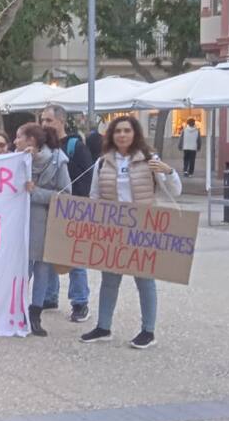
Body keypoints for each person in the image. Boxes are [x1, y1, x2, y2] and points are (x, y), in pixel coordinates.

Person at [81, 115, 182, 349]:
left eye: (127, 130)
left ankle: (148, 331)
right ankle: (103, 327)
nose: (122, 135)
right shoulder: (102, 162)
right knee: (109, 280)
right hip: (113, 229)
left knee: (145, 281)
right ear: (111, 135)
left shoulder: (149, 160)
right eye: (118, 131)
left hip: (142, 228)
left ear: (135, 133)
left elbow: (175, 191)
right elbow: (94, 195)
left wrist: (168, 171)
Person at [37, 104, 94, 322]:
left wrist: (74, 204)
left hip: (71, 210)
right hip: (48, 208)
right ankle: (50, 296)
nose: (44, 124)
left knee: (74, 257)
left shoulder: (75, 147)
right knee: (48, 253)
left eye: (49, 120)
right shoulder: (42, 147)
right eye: (42, 120)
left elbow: (86, 179)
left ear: (61, 121)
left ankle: (80, 302)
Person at [15, 124, 70, 337]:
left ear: (31, 140)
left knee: (41, 270)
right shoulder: (16, 159)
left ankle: (35, 314)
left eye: (18, 137)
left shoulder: (58, 162)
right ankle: (16, 310)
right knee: (21, 270)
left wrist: (36, 193)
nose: (15, 142)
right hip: (19, 223)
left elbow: (66, 195)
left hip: (44, 224)